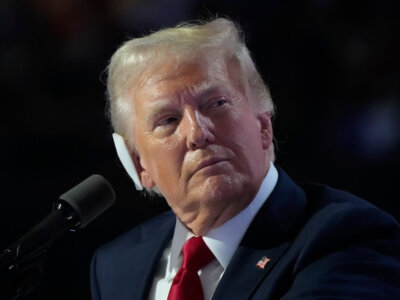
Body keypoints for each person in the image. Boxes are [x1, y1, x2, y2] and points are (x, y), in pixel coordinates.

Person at [90, 18, 400, 300]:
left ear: (263, 125)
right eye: (168, 120)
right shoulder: (117, 266)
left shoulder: (344, 237)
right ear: (141, 165)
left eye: (216, 103)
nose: (197, 132)